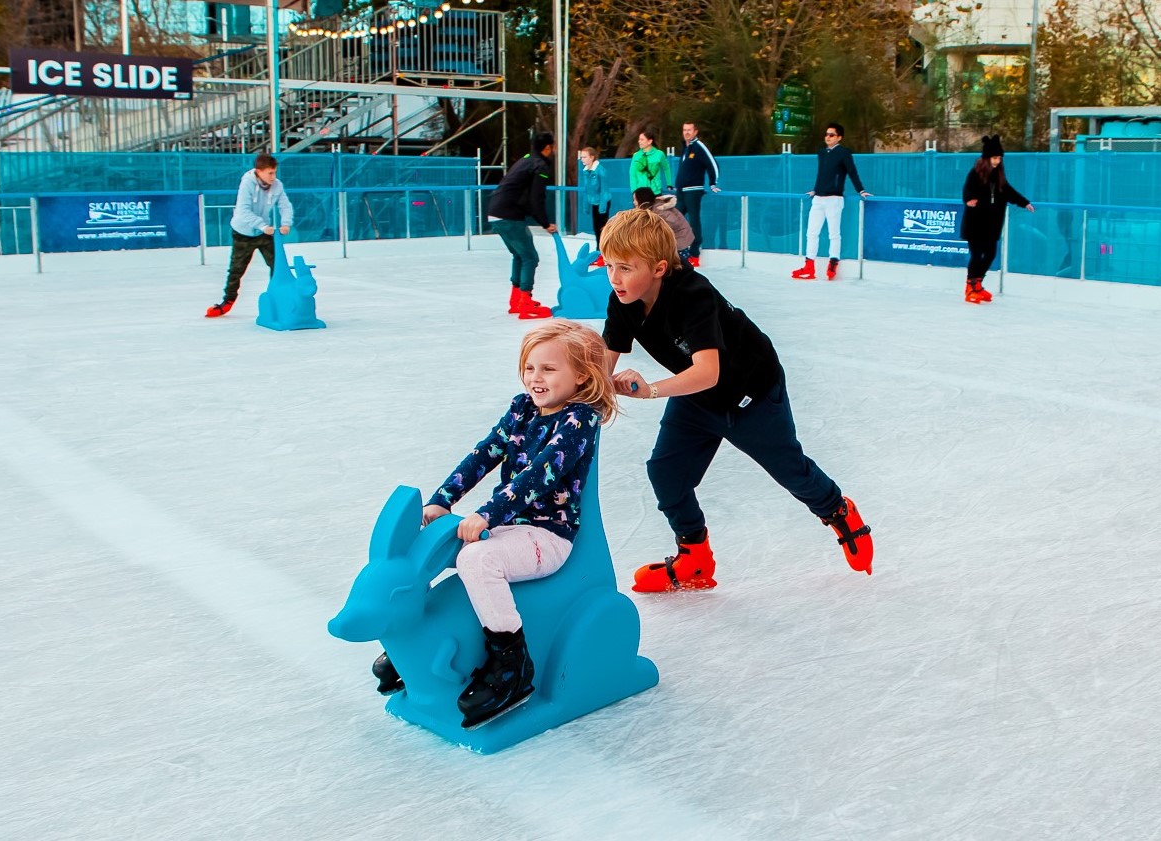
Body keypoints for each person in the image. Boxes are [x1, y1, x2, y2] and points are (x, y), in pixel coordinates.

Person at [599, 209, 874, 593]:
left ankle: (837, 510)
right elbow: (603, 365)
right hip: (697, 399)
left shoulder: (693, 295)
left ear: (659, 268)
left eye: (625, 268)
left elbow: (708, 372)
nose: (614, 277)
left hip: (750, 396)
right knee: (666, 473)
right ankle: (694, 558)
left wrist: (651, 390)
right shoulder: (622, 300)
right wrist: (570, 394)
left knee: (791, 471)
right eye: (609, 265)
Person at [372, 320, 617, 729]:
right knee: (436, 545)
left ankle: (511, 663)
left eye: (549, 369)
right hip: (507, 525)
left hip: (546, 535)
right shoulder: (522, 408)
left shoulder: (579, 421)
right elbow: (483, 455)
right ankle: (414, 644)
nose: (536, 378)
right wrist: (441, 501)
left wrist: (487, 514)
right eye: (530, 367)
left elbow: (539, 476)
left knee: (477, 561)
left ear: (581, 375)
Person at [206, 153, 293, 318]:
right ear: (259, 172)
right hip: (243, 233)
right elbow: (243, 211)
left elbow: (285, 206)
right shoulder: (247, 184)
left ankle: (277, 298)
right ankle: (228, 301)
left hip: (264, 232)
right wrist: (262, 225)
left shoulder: (277, 185)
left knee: (278, 265)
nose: (273, 177)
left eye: (275, 172)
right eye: (270, 173)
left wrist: (286, 223)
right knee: (236, 270)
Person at [488, 132, 559, 320]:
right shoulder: (540, 165)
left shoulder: (526, 159)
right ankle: (525, 303)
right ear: (547, 148)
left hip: (496, 213)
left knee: (519, 255)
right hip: (509, 215)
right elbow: (537, 198)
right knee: (530, 258)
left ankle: (516, 300)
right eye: (553, 146)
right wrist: (545, 223)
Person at [791, 123, 872, 282]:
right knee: (811, 232)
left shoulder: (843, 153)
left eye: (831, 135)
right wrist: (815, 189)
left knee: (833, 233)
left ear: (839, 137)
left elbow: (852, 172)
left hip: (834, 199)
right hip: (818, 198)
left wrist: (860, 190)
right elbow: (821, 174)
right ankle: (809, 265)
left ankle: (833, 262)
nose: (827, 137)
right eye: (826, 134)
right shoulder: (822, 153)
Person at [959, 134, 1034, 304]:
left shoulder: (999, 176)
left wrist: (1024, 202)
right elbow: (967, 189)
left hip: (992, 224)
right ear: (986, 158)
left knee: (991, 254)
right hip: (975, 222)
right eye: (994, 158)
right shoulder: (976, 173)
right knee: (977, 255)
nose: (997, 161)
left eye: (999, 158)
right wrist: (969, 199)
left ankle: (978, 284)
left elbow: (1008, 191)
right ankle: (969, 287)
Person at [674, 122, 721, 267]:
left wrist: (713, 183)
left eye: (689, 130)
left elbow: (712, 164)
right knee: (674, 219)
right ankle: (676, 249)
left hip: (693, 190)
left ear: (695, 131)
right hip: (681, 191)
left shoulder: (699, 147)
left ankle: (694, 254)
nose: (686, 132)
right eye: (684, 130)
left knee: (694, 221)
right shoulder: (686, 148)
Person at [630, 187, 693, 261]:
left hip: (680, 242)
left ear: (641, 198)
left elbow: (673, 222)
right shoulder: (651, 208)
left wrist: (657, 229)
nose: (634, 202)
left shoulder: (659, 209)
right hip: (675, 242)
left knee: (676, 267)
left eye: (635, 199)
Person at [578, 147, 613, 267]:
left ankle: (604, 255)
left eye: (584, 157)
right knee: (596, 229)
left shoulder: (600, 171)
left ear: (592, 157)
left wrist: (602, 207)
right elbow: (587, 190)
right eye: (581, 157)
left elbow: (604, 190)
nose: (582, 159)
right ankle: (599, 253)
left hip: (602, 203)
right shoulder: (586, 171)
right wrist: (586, 205)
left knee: (602, 230)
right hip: (594, 203)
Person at [628, 129, 671, 198]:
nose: (639, 141)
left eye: (642, 139)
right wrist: (634, 191)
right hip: (640, 192)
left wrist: (669, 183)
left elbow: (666, 168)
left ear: (650, 141)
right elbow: (632, 174)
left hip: (655, 191)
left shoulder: (659, 154)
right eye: (639, 139)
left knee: (655, 208)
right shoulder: (636, 156)